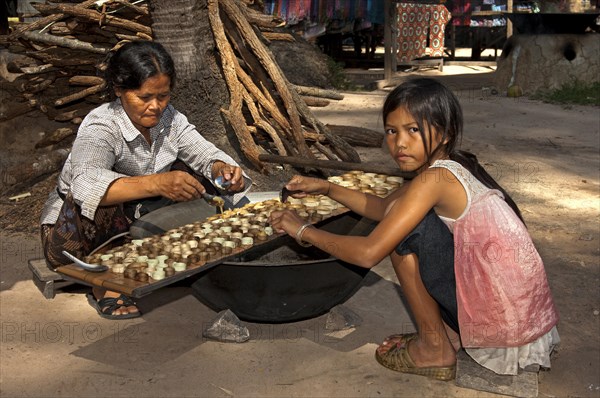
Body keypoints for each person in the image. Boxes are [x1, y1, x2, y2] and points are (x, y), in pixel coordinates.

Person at [269, 78, 559, 380]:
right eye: (392, 131)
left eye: (413, 130)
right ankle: (443, 334)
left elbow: (369, 253)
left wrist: (302, 230)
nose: (400, 143)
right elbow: (383, 209)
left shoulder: (434, 180)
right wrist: (327, 188)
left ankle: (435, 348)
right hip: (517, 317)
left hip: (499, 325)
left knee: (403, 234)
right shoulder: (452, 165)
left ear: (444, 133)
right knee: (400, 220)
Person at [40, 41, 251, 320]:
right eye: (144, 97)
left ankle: (158, 254)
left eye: (163, 96)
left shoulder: (170, 119)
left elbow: (203, 153)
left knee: (197, 176)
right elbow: (85, 185)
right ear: (119, 91)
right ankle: (107, 286)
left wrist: (222, 169)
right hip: (74, 240)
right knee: (100, 190)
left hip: (134, 225)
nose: (155, 107)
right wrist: (158, 183)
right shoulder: (101, 126)